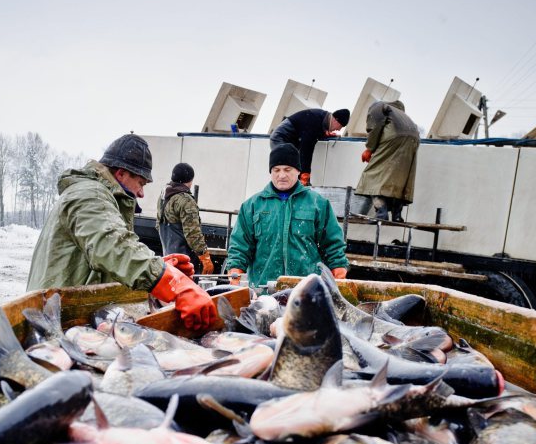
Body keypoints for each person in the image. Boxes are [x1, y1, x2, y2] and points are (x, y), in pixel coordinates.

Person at [27, 135, 217, 331]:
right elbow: (113, 246)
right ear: (121, 174)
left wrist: (159, 267)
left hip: (70, 316)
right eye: (141, 183)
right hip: (51, 322)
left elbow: (106, 264)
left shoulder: (98, 195)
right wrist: (169, 281)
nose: (141, 193)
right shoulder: (88, 195)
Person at [225, 143, 349, 287]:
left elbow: (332, 243)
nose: (281, 175)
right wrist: (235, 271)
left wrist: (339, 267)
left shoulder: (318, 204)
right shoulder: (252, 205)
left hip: (306, 290)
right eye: (276, 170)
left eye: (287, 169)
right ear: (270, 172)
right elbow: (240, 245)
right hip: (264, 290)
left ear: (298, 171)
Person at [354, 100, 420, 222]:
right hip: (414, 139)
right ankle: (397, 215)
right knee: (400, 178)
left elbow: (375, 127)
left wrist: (369, 149)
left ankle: (381, 214)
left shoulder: (377, 106)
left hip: (394, 136)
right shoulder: (400, 114)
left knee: (373, 176)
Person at [155, 162, 214, 275]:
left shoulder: (164, 196)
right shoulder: (186, 200)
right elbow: (193, 234)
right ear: (190, 180)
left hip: (169, 258)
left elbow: (158, 225)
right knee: (188, 291)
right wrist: (205, 257)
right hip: (185, 262)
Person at [269, 107, 351, 187]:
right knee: (287, 167)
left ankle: (297, 186)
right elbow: (306, 150)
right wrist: (305, 173)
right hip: (280, 138)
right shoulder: (315, 120)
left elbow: (312, 134)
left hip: (293, 140)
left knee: (294, 167)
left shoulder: (323, 119)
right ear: (335, 120)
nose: (339, 129)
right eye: (340, 126)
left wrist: (324, 135)